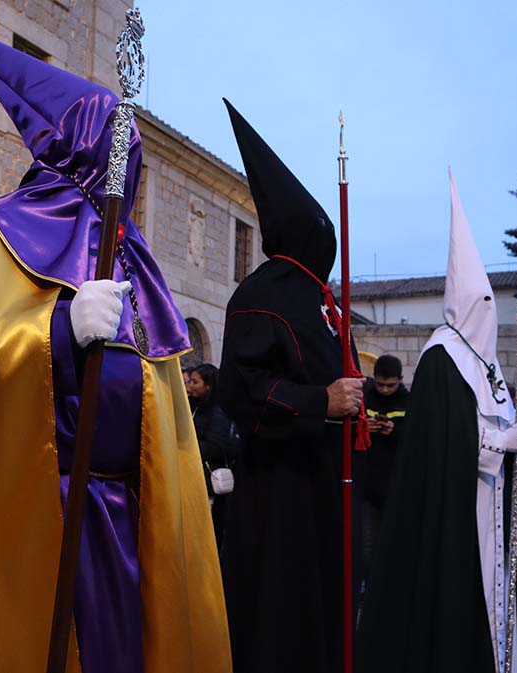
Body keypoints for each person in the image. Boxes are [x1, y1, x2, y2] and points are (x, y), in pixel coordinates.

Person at [0, 21, 230, 672]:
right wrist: (60, 332)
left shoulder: (132, 255)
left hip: (127, 522)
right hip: (37, 515)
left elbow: (160, 389)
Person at [357, 171, 517, 673]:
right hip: (458, 504)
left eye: (491, 303)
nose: (489, 312)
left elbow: (500, 416)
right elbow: (437, 437)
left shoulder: (489, 362)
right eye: (480, 302)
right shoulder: (443, 355)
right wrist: (495, 441)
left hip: (491, 502)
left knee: (493, 591)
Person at [216, 100, 366, 673]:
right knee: (284, 606)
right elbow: (242, 386)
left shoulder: (322, 300)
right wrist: (319, 401)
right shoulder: (263, 293)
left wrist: (356, 408)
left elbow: (340, 374)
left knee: (328, 599)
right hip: (281, 488)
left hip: (328, 476)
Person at [361, 354, 410, 574]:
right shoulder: (365, 396)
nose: (385, 390)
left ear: (400, 380)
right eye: (380, 384)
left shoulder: (408, 401)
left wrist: (395, 431)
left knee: (393, 542)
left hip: (395, 485)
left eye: (390, 385)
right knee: (367, 544)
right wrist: (363, 429)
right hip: (367, 484)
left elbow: (415, 439)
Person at [187, 363, 237, 548]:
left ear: (208, 385)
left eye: (195, 382)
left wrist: (185, 446)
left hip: (208, 481)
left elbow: (215, 447)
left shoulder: (218, 411)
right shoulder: (193, 406)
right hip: (193, 476)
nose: (190, 386)